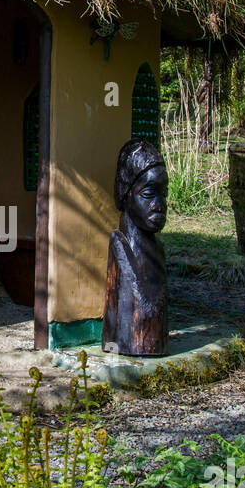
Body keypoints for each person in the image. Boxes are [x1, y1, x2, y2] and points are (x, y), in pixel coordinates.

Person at [102, 137, 168, 356]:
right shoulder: (121, 249)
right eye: (148, 194)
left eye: (163, 193)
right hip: (128, 342)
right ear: (125, 195)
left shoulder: (158, 251)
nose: (159, 204)